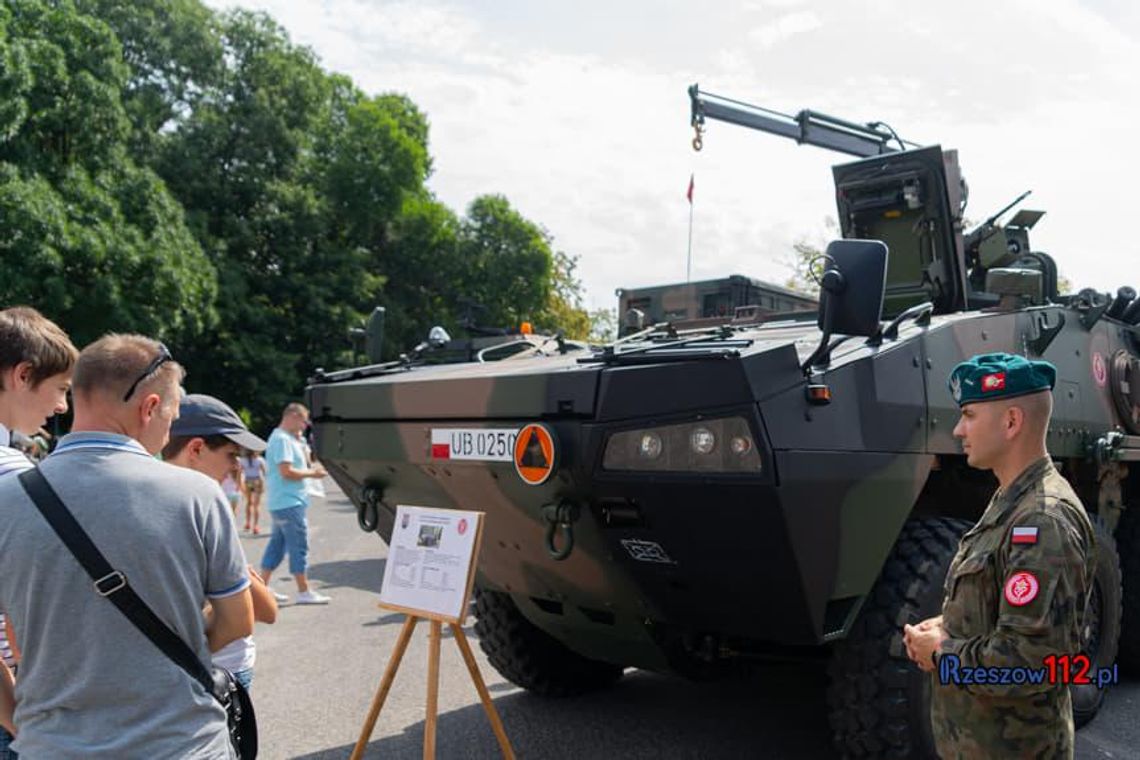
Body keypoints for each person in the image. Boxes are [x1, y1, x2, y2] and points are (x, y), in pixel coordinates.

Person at [0, 334, 253, 759]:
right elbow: (238, 619)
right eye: (171, 413)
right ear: (150, 407)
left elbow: (15, 641)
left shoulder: (7, 500)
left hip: (53, 747)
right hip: (180, 741)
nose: (170, 426)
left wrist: (23, 729)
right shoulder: (197, 495)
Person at [903, 352, 1095, 759]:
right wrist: (946, 623)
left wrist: (940, 652)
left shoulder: (1044, 519)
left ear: (1011, 422)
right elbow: (997, 600)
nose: (957, 430)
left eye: (969, 415)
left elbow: (1033, 662)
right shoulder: (1012, 499)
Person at [0, 306, 78, 758]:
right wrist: (18, 723)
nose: (62, 406)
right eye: (60, 389)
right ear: (23, 375)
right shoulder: (12, 477)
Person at [162, 393, 278, 690]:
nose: (237, 466)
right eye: (231, 454)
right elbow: (263, 609)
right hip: (218, 674)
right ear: (197, 449)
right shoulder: (203, 506)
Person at [259, 402, 330, 605]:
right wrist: (314, 474)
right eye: (303, 421)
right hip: (290, 501)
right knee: (299, 545)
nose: (304, 426)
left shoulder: (284, 438)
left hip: (281, 501)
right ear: (293, 416)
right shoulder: (282, 439)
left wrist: (301, 443)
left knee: (277, 546)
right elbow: (287, 471)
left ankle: (262, 587)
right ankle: (303, 590)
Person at [239, 449, 267, 534]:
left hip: (247, 481)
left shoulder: (243, 460)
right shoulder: (260, 460)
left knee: (249, 503)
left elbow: (240, 473)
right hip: (257, 480)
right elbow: (264, 472)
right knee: (256, 505)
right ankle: (255, 525)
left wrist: (239, 484)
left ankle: (247, 523)